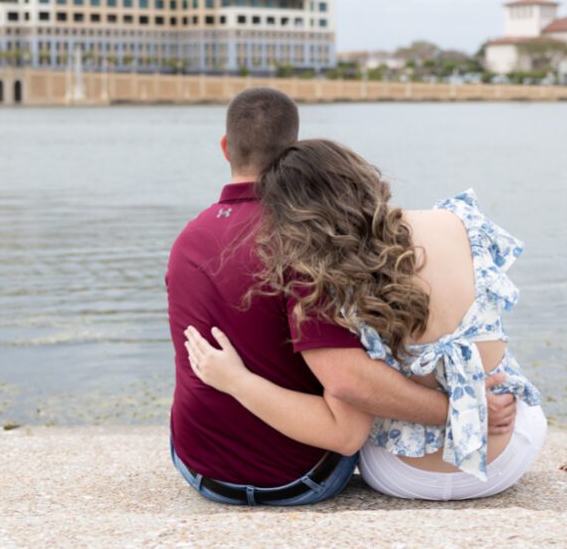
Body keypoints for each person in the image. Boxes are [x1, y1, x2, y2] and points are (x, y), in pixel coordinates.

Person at [166, 88, 519, 506]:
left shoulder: (186, 239)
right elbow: (348, 409)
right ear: (293, 153)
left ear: (225, 148)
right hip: (297, 479)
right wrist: (458, 407)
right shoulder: (306, 242)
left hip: (198, 467)